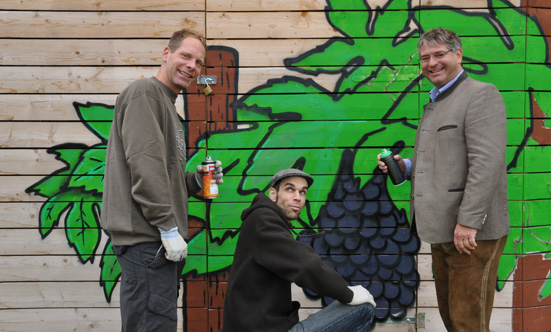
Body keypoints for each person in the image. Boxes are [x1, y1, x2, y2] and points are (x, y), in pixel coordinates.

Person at [377, 28, 509, 331]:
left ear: (458, 55)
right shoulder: (438, 98)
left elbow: (487, 164)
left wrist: (469, 221)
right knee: (453, 319)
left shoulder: (480, 94)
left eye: (439, 54)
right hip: (442, 230)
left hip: (471, 235)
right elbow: (445, 158)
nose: (432, 63)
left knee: (468, 323)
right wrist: (406, 166)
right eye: (425, 58)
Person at [101, 28, 223, 332]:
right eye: (185, 55)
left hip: (155, 246)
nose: (192, 66)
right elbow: (145, 166)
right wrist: (167, 226)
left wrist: (196, 180)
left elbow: (163, 174)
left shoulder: (166, 104)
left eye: (199, 62)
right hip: (149, 242)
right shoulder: (145, 94)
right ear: (166, 54)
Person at [222, 168, 376, 332]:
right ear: (273, 194)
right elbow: (305, 264)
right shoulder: (263, 219)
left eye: (303, 192)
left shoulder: (264, 220)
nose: (298, 197)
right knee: (363, 309)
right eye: (290, 189)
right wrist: (348, 294)